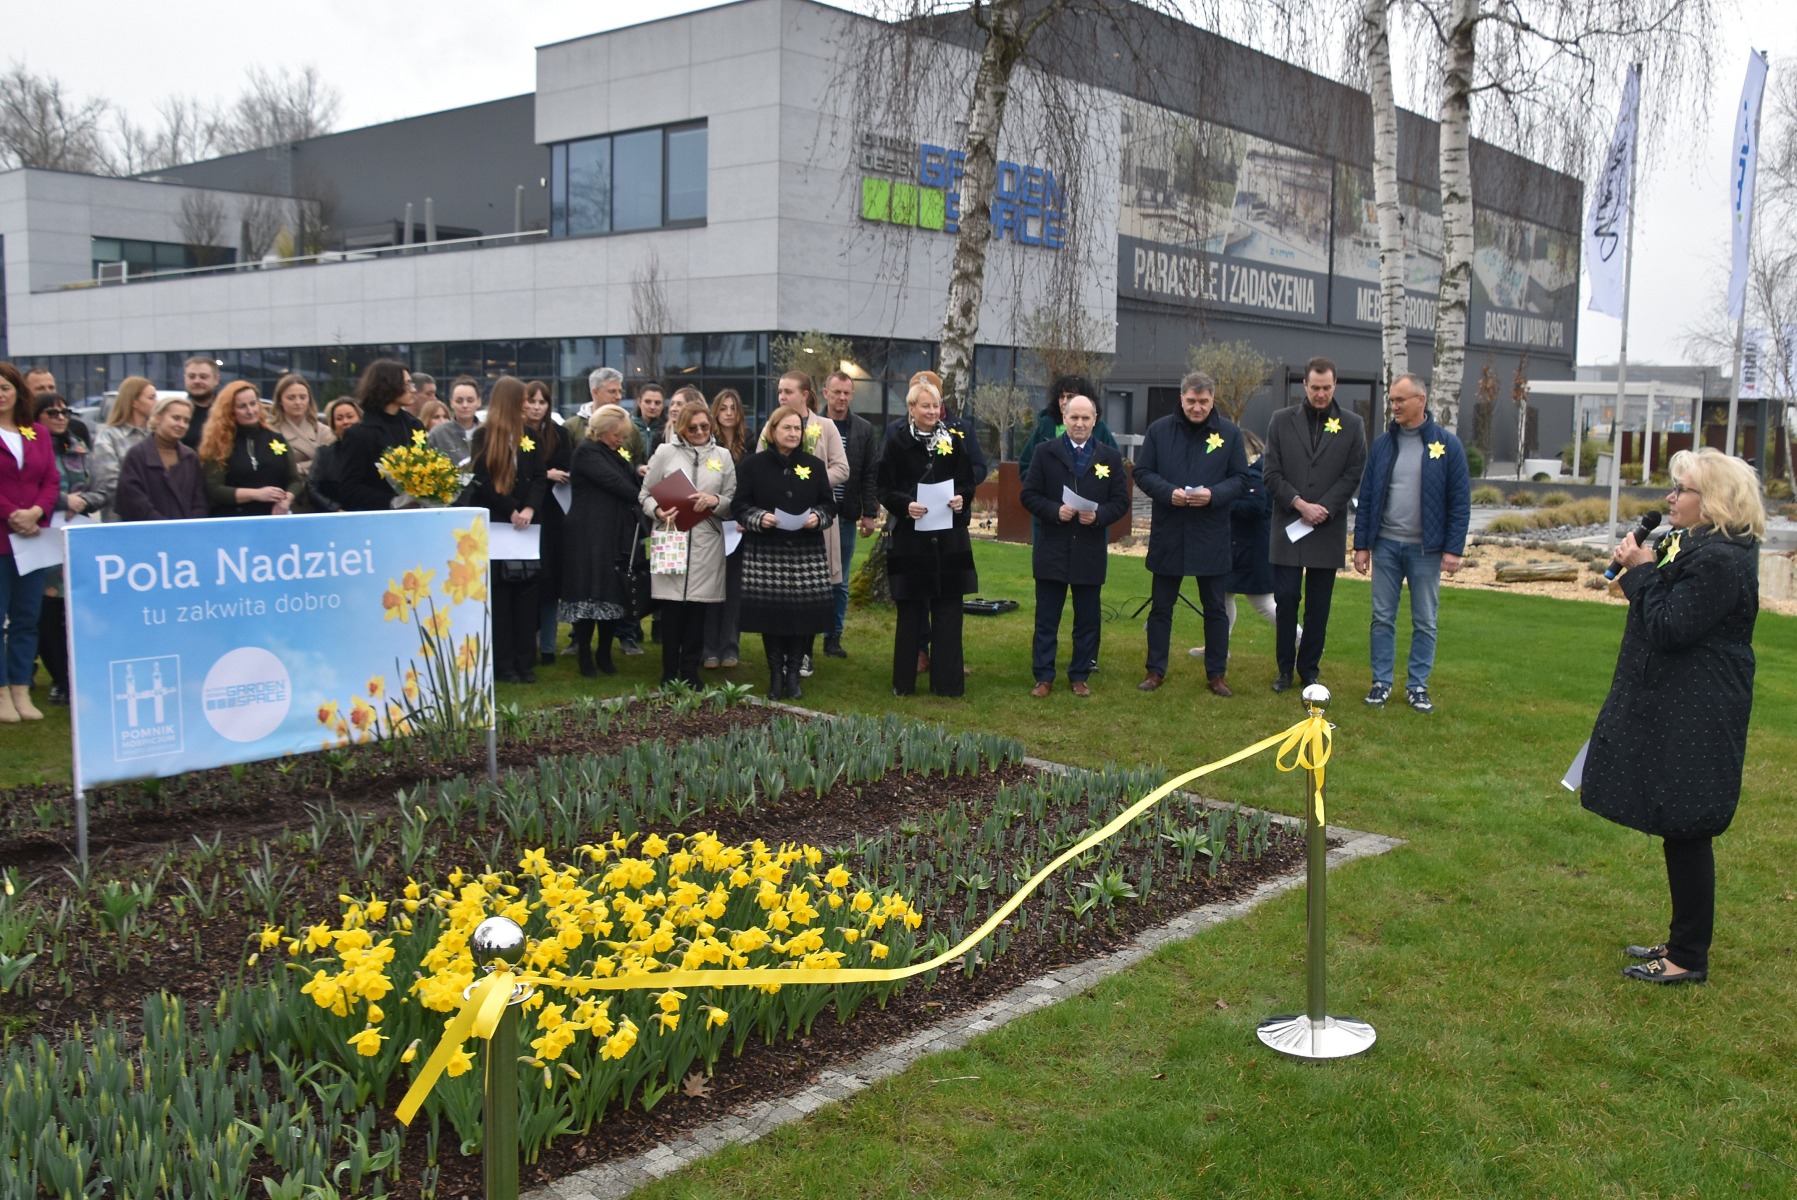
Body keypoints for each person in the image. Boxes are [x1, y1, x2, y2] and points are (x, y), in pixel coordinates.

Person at [1581, 449, 1766, 986]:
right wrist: (1645, 566)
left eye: (1681, 489)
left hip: (1702, 708)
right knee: (1679, 825)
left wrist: (1639, 574)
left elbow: (1668, 625)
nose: (1670, 497)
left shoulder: (1722, 560)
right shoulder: (1698, 547)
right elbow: (1661, 608)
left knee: (1688, 826)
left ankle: (1688, 957)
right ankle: (1684, 939)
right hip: (1683, 703)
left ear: (1711, 502)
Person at [1352, 373, 1470, 713]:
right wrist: (1362, 545)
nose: (1395, 406)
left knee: (1425, 620)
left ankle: (1417, 685)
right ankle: (1381, 682)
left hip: (1426, 551)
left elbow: (1460, 501)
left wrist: (1452, 549)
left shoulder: (1447, 446)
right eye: (1392, 400)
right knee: (1382, 618)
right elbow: (1369, 496)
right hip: (1386, 546)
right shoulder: (1383, 445)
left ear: (1421, 400)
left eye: (1400, 400)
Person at [1133, 370, 1249, 695]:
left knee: (1215, 610)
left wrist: (1213, 495)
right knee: (1161, 608)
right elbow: (1142, 472)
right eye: (1191, 401)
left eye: (1203, 401)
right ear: (1181, 398)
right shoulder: (1159, 431)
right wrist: (1167, 491)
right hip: (1169, 531)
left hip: (1210, 533)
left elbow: (1241, 479)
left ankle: (1216, 674)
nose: (1197, 407)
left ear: (1213, 400)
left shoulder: (1229, 434)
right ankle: (1155, 670)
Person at [1263, 357, 1366, 690]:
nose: (1321, 394)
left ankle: (1309, 669)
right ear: (1304, 386)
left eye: (1327, 388)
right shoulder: (1280, 421)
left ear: (1334, 386)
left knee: (1318, 607)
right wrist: (1299, 503)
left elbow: (1353, 473)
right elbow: (1271, 474)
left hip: (1326, 528)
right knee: (1287, 599)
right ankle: (1283, 669)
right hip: (1289, 527)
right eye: (1315, 387)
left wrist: (1324, 507)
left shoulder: (1352, 425)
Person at [1020, 394, 1130, 697]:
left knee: (1087, 618)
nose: (1079, 423)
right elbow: (1029, 495)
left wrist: (1098, 516)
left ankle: (1080, 675)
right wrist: (1054, 511)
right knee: (1046, 618)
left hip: (1089, 549)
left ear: (1095, 420)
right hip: (1052, 547)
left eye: (1085, 418)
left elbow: (1121, 501)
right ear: (1064, 418)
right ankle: (1044, 676)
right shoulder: (1045, 452)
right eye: (1074, 417)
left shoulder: (1109, 456)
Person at [879, 382, 978, 697]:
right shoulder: (896, 444)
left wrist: (962, 498)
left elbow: (967, 481)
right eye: (925, 406)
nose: (932, 412)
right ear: (911, 409)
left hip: (949, 541)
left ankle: (947, 684)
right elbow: (884, 487)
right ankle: (904, 683)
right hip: (912, 541)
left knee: (949, 612)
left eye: (936, 406)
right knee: (910, 614)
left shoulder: (954, 441)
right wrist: (905, 505)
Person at [735, 403, 835, 700]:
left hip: (805, 553)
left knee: (802, 617)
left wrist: (819, 517)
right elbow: (739, 505)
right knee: (773, 618)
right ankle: (775, 675)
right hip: (768, 552)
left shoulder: (814, 465)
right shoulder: (753, 465)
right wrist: (758, 518)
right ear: (772, 431)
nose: (793, 433)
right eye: (787, 428)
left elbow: (829, 504)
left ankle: (794, 675)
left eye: (797, 428)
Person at [758, 371, 851, 678]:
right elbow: (760, 466)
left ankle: (805, 655)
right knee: (782, 590)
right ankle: (780, 656)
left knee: (812, 590)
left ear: (806, 395)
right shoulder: (770, 426)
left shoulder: (825, 427)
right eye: (780, 391)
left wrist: (812, 484)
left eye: (788, 391)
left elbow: (842, 467)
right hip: (779, 521)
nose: (782, 396)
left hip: (814, 519)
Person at [640, 399, 735, 686]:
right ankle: (669, 672)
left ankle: (691, 672)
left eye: (704, 426)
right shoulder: (665, 453)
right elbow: (645, 494)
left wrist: (715, 500)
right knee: (671, 611)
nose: (699, 431)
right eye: (692, 427)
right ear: (682, 427)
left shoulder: (723, 456)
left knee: (697, 610)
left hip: (706, 540)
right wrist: (657, 510)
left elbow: (732, 500)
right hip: (671, 536)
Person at [1187, 430, 1289, 669]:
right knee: (1222, 596)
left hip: (1253, 549)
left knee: (1263, 603)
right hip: (1239, 546)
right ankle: (1219, 645)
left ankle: (1301, 639)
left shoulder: (1255, 474)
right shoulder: (1256, 471)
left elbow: (1254, 507)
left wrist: (1218, 501)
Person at [468, 376, 547, 683]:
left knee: (527, 596)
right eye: (525, 399)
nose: (529, 405)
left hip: (526, 530)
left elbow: (539, 476)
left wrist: (529, 508)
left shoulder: (529, 435)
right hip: (498, 527)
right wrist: (510, 508)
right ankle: (504, 665)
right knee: (500, 600)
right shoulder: (483, 436)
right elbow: (482, 481)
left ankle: (525, 662)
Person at [560, 404, 644, 677]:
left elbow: (627, 479)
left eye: (622, 434)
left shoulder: (612, 453)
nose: (620, 439)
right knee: (589, 593)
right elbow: (615, 483)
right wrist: (641, 494)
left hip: (613, 533)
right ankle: (584, 652)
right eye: (616, 434)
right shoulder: (586, 451)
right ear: (602, 430)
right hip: (588, 534)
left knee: (612, 594)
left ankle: (604, 653)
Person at [0, 363, 57, 723]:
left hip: (32, 541)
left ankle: (21, 689)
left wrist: (36, 511)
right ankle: (2, 693)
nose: (0, 393)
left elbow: (51, 480)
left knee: (26, 618)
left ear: (17, 392)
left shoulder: (36, 433)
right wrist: (13, 514)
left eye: (5, 387)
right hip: (3, 536)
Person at [37, 395, 94, 704]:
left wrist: (85, 501)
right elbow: (29, 483)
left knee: (75, 613)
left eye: (64, 411)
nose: (60, 417)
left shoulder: (78, 443)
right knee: (48, 612)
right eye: (52, 412)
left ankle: (79, 676)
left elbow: (99, 483)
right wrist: (62, 501)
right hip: (41, 534)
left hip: (77, 534)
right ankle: (59, 677)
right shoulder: (31, 441)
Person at [821, 370, 880, 659]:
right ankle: (806, 634)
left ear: (852, 396)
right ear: (825, 394)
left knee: (840, 581)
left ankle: (833, 636)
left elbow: (870, 474)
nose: (841, 398)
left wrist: (869, 513)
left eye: (847, 393)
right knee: (812, 579)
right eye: (837, 392)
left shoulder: (864, 430)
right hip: (813, 513)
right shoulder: (810, 426)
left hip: (844, 515)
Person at [335, 360, 426, 512]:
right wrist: (394, 502)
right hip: (378, 516)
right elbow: (349, 489)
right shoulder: (359, 434)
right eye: (407, 384)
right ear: (389, 385)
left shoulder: (415, 425)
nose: (413, 389)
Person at [524, 379, 572, 665]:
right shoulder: (516, 433)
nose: (536, 407)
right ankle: (528, 639)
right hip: (526, 513)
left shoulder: (560, 433)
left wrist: (549, 473)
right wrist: (545, 472)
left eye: (542, 402)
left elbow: (566, 465)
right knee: (527, 580)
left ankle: (549, 646)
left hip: (553, 515)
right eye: (531, 401)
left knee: (550, 581)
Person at [198, 381, 297, 517]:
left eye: (253, 404)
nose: (250, 411)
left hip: (273, 516)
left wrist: (287, 499)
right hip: (235, 519)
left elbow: (295, 480)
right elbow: (214, 490)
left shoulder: (276, 438)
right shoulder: (218, 443)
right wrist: (256, 494)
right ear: (230, 410)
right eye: (242, 406)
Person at [703, 387, 751, 669]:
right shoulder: (708, 443)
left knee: (734, 589)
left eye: (733, 408)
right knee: (710, 588)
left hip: (739, 526)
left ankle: (730, 647)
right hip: (711, 522)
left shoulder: (751, 442)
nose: (729, 413)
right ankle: (709, 648)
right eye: (723, 408)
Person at [116, 396, 207, 521]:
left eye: (186, 421)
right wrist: (164, 527)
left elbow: (199, 501)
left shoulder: (190, 457)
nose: (181, 425)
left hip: (185, 535)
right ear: (158, 418)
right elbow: (133, 501)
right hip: (147, 534)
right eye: (176, 418)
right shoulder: (137, 455)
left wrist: (189, 527)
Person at [1017, 373, 1121, 477]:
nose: (1064, 402)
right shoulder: (1046, 426)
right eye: (1062, 397)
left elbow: (1115, 464)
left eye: (1070, 396)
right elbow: (1026, 464)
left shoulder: (1100, 428)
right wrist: (1042, 485)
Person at [89, 375, 158, 523]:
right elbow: (110, 481)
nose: (156, 403)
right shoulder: (108, 436)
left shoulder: (156, 435)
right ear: (134, 402)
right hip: (120, 520)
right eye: (151, 398)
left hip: (156, 518)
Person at [269, 374, 335, 492]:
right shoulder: (270, 431)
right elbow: (271, 467)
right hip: (285, 495)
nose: (298, 402)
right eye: (291, 398)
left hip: (319, 496)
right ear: (280, 400)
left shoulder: (323, 431)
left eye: (303, 397)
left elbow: (332, 463)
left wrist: (299, 468)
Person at [306, 398, 362, 513]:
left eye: (350, 416)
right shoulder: (324, 454)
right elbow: (312, 488)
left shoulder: (373, 451)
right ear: (333, 425)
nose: (345, 422)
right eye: (339, 418)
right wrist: (334, 508)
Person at [428, 375, 482, 464]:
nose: (465, 405)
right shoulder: (438, 434)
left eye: (470, 400)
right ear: (451, 403)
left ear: (479, 402)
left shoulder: (489, 432)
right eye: (459, 401)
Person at [179, 355, 220, 450]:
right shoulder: (176, 414)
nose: (197, 381)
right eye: (191, 376)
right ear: (184, 378)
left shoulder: (229, 411)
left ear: (216, 379)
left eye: (203, 377)